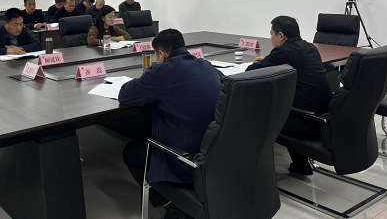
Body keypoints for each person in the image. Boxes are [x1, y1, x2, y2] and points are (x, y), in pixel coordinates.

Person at [119, 29, 222, 219]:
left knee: (131, 153)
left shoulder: (162, 72)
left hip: (185, 159)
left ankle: (173, 207)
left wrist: (147, 76)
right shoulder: (207, 66)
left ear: (161, 54)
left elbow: (125, 95)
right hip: (215, 152)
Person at [246, 16, 332, 176]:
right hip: (324, 118)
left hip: (306, 122)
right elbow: (291, 60)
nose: (271, 38)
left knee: (256, 112)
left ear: (281, 36)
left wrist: (263, 63)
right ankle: (301, 165)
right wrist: (270, 60)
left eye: (271, 34)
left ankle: (256, 170)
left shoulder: (283, 52)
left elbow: (250, 72)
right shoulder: (309, 47)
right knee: (290, 103)